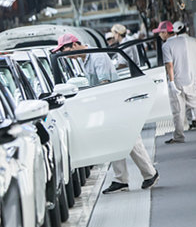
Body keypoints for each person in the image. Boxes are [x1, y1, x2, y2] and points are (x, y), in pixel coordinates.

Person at [52, 33, 159, 193]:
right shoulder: (85, 59)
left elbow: (104, 83)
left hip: (113, 103)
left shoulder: (97, 57)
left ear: (74, 45)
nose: (67, 55)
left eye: (65, 49)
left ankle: (150, 174)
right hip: (107, 104)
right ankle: (121, 179)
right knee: (116, 141)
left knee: (130, 139)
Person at [154, 20, 196, 144]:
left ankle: (179, 136)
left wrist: (171, 82)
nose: (160, 35)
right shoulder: (184, 41)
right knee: (194, 104)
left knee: (178, 110)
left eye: (160, 33)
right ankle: (178, 136)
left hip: (177, 81)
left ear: (166, 32)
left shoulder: (166, 45)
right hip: (189, 78)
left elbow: (169, 65)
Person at [173, 21, 196, 130]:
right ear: (185, 29)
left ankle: (192, 121)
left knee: (185, 98)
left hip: (184, 75)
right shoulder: (194, 41)